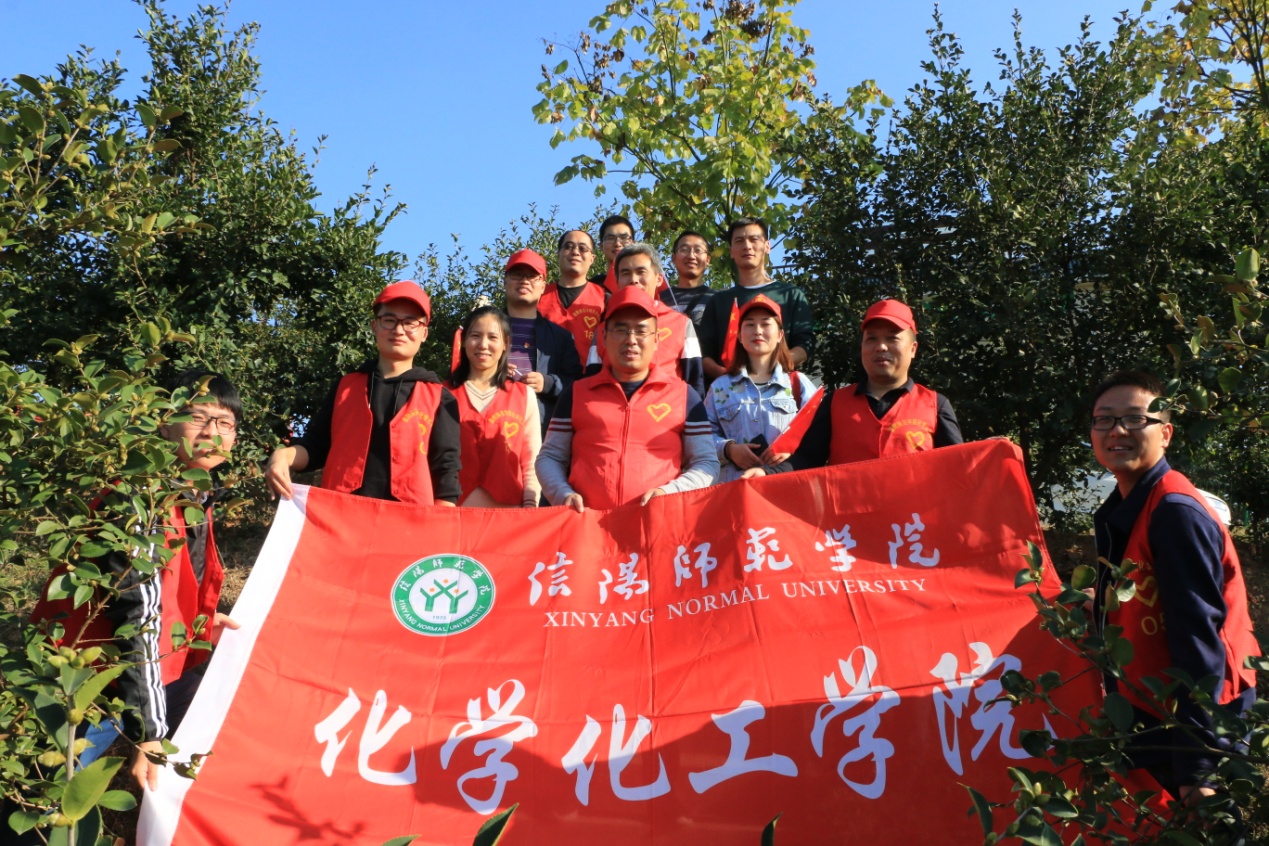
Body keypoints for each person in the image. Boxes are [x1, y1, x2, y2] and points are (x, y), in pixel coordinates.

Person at [29, 370, 243, 791]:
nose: (212, 432)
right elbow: (137, 616)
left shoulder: (194, 495)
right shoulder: (137, 499)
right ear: (164, 423)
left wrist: (199, 621)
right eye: (198, 417)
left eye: (225, 423)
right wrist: (149, 731)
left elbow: (170, 585)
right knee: (48, 793)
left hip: (159, 664)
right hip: (88, 675)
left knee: (203, 749)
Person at [1088, 370, 1259, 801]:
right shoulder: (1131, 505)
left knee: (1199, 822)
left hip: (1199, 714)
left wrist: (1199, 770)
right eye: (1104, 420)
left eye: (1134, 419)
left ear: (1165, 433)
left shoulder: (1174, 512)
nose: (1117, 431)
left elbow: (1199, 639)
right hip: (1158, 701)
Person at [265, 280, 461, 505]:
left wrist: (442, 523)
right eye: (389, 320)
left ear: (424, 333)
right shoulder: (345, 388)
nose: (399, 330)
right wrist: (282, 455)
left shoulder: (439, 397)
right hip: (343, 514)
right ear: (374, 326)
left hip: (410, 519)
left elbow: (446, 473)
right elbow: (315, 448)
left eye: (410, 323)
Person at [536, 286, 718, 511]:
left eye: (641, 331)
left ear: (656, 340)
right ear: (603, 337)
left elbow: (706, 463)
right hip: (587, 525)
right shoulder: (575, 394)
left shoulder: (685, 396)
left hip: (657, 524)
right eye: (621, 330)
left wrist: (668, 494)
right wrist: (562, 494)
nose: (631, 340)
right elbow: (550, 457)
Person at [789, 298, 962, 468]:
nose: (881, 347)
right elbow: (806, 460)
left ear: (913, 349)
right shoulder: (834, 403)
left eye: (892, 338)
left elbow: (960, 467)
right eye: (871, 339)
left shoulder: (935, 406)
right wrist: (773, 472)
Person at [706, 295, 817, 482]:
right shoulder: (720, 387)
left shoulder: (798, 384)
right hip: (734, 488)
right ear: (739, 336)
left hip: (786, 486)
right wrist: (729, 449)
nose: (757, 331)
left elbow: (819, 436)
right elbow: (701, 437)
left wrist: (794, 454)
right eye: (749, 325)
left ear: (780, 335)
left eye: (765, 324)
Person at [698, 217, 817, 382]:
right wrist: (728, 378)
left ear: (767, 246)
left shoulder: (790, 295)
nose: (747, 246)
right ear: (731, 251)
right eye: (739, 241)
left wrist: (768, 368)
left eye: (754, 239)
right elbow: (704, 352)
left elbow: (805, 344)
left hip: (779, 388)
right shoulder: (719, 301)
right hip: (728, 392)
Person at [448, 306, 541, 508]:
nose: (483, 345)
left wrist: (530, 504)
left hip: (509, 516)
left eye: (492, 337)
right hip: (452, 514)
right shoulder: (441, 394)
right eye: (475, 336)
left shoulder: (524, 395)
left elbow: (531, 459)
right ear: (463, 340)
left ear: (505, 343)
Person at [587, 243, 705, 395]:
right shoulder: (603, 328)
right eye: (625, 273)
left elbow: (695, 383)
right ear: (617, 280)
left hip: (667, 407)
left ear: (659, 279)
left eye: (641, 272)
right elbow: (590, 382)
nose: (633, 279)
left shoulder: (682, 324)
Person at [500, 248, 584, 428]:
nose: (524, 281)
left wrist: (548, 383)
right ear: (505, 281)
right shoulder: (482, 330)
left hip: (541, 430)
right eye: (517, 274)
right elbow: (463, 376)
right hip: (491, 423)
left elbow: (578, 386)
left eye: (532, 276)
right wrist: (490, 372)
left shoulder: (560, 337)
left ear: (543, 286)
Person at [538, 230, 609, 365]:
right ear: (559, 253)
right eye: (569, 247)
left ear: (592, 258)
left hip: (589, 376)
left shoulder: (604, 299)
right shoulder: (538, 296)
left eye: (583, 248)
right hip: (543, 376)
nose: (575, 252)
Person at [660, 230, 715, 328]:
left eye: (698, 250)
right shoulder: (659, 299)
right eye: (684, 250)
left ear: (707, 260)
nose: (691, 256)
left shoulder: (718, 299)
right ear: (673, 258)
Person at [589, 214, 636, 295]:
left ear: (634, 244)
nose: (617, 244)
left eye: (623, 238)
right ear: (601, 246)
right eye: (611, 238)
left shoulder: (644, 282)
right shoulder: (592, 287)